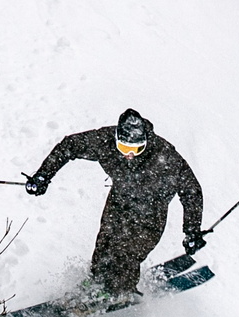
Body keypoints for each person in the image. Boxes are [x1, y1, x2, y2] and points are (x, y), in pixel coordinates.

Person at [25, 106, 204, 302]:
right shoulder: (104, 141)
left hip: (151, 211)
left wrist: (192, 230)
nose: (129, 155)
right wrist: (43, 175)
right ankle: (96, 281)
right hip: (119, 201)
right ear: (117, 140)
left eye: (136, 149)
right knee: (106, 243)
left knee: (126, 251)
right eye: (124, 148)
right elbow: (70, 145)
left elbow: (191, 190)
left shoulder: (165, 156)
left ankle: (121, 291)